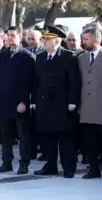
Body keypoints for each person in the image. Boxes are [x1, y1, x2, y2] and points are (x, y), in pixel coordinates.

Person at [30, 26, 80, 178]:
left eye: (47, 39)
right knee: (48, 137)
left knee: (65, 139)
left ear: (56, 41)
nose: (43, 42)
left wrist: (73, 101)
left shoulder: (69, 57)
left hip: (62, 104)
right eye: (43, 39)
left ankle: (68, 168)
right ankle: (50, 166)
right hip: (45, 104)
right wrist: (34, 100)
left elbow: (74, 82)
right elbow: (36, 81)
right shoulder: (40, 57)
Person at [0, 26, 36, 175]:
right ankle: (6, 162)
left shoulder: (27, 57)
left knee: (23, 135)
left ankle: (24, 163)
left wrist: (25, 101)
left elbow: (31, 82)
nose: (10, 38)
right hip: (4, 101)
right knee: (5, 135)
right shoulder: (2, 55)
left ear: (20, 36)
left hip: (19, 103)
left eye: (13, 35)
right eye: (8, 35)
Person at [78, 28, 102, 180]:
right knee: (90, 141)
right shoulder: (81, 58)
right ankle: (94, 169)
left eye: (86, 39)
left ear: (96, 40)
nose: (83, 42)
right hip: (86, 107)